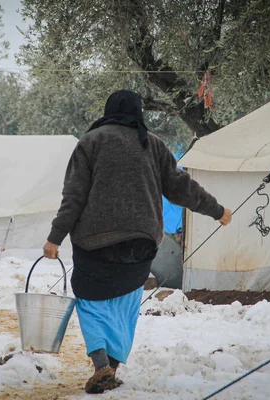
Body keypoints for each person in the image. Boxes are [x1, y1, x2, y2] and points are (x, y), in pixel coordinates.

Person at [43, 90, 232, 394]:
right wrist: (217, 210)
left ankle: (101, 365)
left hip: (95, 241)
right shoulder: (153, 144)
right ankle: (111, 369)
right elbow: (181, 188)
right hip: (142, 242)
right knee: (126, 303)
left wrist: (55, 237)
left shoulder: (91, 142)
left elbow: (74, 197)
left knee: (91, 302)